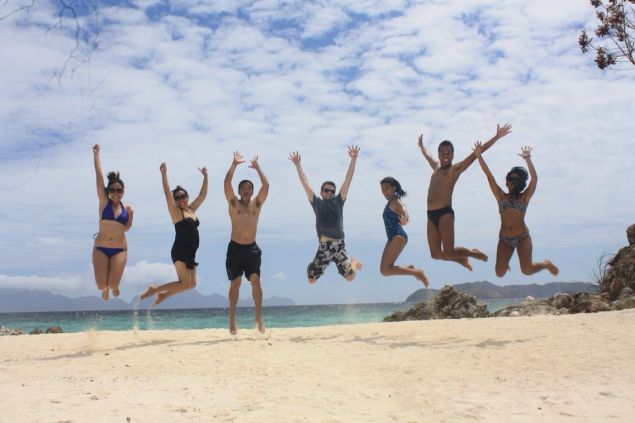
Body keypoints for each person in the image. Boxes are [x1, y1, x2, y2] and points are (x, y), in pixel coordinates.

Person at [417, 123, 512, 270]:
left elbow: (476, 154)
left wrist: (497, 136)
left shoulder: (455, 170)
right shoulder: (436, 168)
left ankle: (473, 254)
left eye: (449, 153)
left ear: (453, 155)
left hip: (445, 213)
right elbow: (428, 156)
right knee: (435, 254)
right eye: (443, 153)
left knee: (449, 251)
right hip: (430, 215)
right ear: (439, 154)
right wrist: (422, 147)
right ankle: (460, 260)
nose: (446, 156)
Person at [473, 143, 559, 277]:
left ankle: (546, 264)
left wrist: (528, 159)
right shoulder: (500, 196)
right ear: (506, 182)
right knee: (499, 273)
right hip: (505, 239)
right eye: (510, 179)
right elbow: (489, 176)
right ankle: (505, 262)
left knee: (527, 270)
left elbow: (535, 178)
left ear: (521, 184)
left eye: (516, 180)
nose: (512, 183)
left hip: (522, 237)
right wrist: (478, 156)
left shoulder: (524, 198)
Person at [289, 146, 362, 284]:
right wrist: (298, 165)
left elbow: (348, 180)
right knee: (311, 280)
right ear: (321, 192)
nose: (329, 193)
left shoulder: (339, 201)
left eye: (332, 191)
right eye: (326, 190)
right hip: (324, 247)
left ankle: (353, 263)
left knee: (350, 278)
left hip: (339, 245)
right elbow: (305, 182)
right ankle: (315, 269)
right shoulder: (317, 203)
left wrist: (353, 159)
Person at [140, 163, 208, 306]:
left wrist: (206, 176)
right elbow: (166, 194)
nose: (181, 199)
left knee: (191, 285)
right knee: (184, 284)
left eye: (183, 196)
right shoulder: (176, 213)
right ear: (175, 201)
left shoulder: (191, 209)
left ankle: (164, 296)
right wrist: (164, 175)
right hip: (180, 251)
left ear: (187, 197)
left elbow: (202, 195)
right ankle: (155, 290)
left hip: (191, 253)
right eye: (177, 197)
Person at [224, 152, 269, 335]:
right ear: (239, 190)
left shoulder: (256, 204)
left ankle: (259, 317)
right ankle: (232, 319)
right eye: (242, 188)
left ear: (252, 191)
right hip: (235, 249)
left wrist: (258, 168)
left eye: (248, 188)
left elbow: (266, 185)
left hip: (251, 249)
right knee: (235, 284)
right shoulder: (233, 203)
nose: (245, 191)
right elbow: (226, 184)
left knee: (256, 282)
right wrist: (234, 164)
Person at [92, 144, 133, 300]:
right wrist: (96, 155)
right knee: (102, 285)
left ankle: (113, 287)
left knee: (114, 285)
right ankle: (105, 289)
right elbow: (99, 176)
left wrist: (131, 214)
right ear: (108, 192)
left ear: (123, 192)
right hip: (101, 248)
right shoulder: (104, 203)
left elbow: (127, 228)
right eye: (112, 190)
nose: (115, 193)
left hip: (120, 249)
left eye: (119, 190)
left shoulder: (127, 208)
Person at [379, 177, 429, 286]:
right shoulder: (390, 202)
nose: (384, 192)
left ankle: (418, 273)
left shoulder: (396, 202)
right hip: (392, 237)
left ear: (394, 188)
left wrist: (405, 219)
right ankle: (411, 270)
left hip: (398, 236)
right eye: (382, 189)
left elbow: (404, 212)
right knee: (384, 270)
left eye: (386, 188)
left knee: (386, 270)